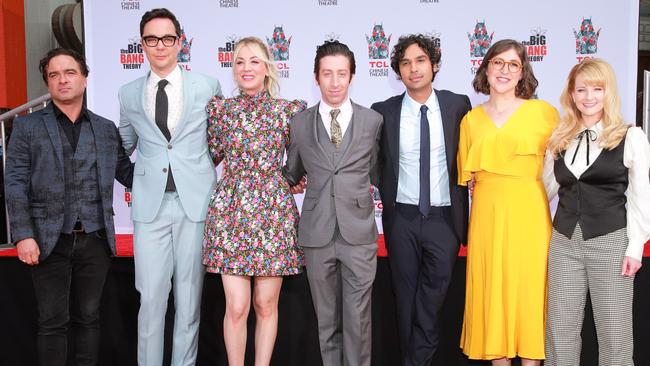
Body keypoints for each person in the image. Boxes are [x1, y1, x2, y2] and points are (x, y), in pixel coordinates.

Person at [5, 47, 133, 366]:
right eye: (54, 75)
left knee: (89, 319)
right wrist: (23, 234)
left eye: (70, 72)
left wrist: (171, 162)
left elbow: (128, 173)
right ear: (48, 83)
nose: (62, 80)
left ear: (85, 79)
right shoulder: (27, 127)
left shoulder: (105, 129)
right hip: (48, 241)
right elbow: (15, 182)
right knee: (52, 323)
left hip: (96, 239)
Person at [117, 8, 222, 366]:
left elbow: (220, 141)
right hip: (150, 208)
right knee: (150, 300)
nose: (159, 46)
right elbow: (122, 144)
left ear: (180, 42)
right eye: (151, 39)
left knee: (189, 299)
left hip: (196, 204)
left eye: (167, 38)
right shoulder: (129, 93)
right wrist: (137, 179)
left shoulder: (208, 86)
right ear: (142, 44)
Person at [202, 36, 305, 366]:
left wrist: (297, 179)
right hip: (230, 215)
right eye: (240, 62)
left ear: (267, 68)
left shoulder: (288, 111)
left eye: (254, 61)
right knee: (236, 306)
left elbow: (301, 160)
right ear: (233, 70)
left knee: (265, 305)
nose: (247, 68)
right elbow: (209, 156)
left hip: (273, 215)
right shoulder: (221, 110)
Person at [457, 39, 559, 366]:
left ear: (522, 73)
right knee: (491, 293)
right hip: (487, 214)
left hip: (530, 213)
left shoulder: (544, 113)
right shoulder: (471, 120)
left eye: (513, 64)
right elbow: (469, 179)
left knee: (528, 293)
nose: (504, 70)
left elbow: (562, 170)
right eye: (498, 62)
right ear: (486, 68)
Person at [371, 34, 471, 366]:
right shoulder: (383, 111)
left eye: (420, 61)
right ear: (397, 71)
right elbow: (375, 164)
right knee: (405, 300)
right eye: (405, 63)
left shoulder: (458, 105)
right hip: (402, 218)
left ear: (434, 64)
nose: (413, 69)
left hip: (444, 219)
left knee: (431, 300)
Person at [543, 58, 650, 366]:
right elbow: (544, 188)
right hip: (563, 242)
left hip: (611, 242)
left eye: (596, 89)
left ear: (608, 93)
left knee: (614, 333)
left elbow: (642, 197)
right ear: (571, 95)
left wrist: (635, 249)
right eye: (581, 90)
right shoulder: (558, 140)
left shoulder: (630, 136)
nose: (588, 97)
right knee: (559, 331)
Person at [283, 40, 383, 366]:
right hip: (316, 234)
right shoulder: (298, 124)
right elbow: (292, 172)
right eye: (328, 74)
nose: (335, 82)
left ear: (352, 76)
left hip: (359, 234)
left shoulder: (373, 122)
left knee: (358, 322)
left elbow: (378, 172)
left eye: (342, 73)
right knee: (326, 323)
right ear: (316, 78)